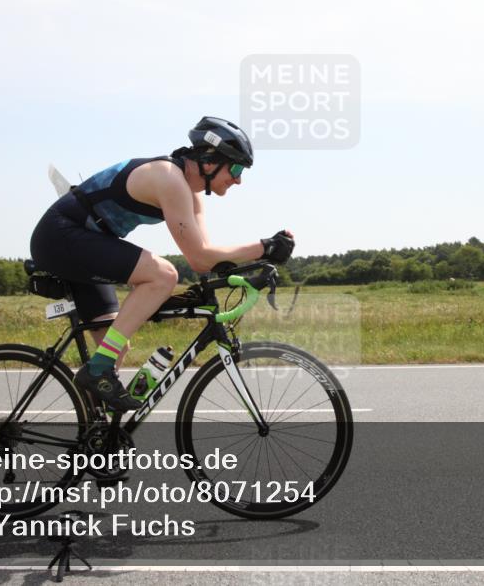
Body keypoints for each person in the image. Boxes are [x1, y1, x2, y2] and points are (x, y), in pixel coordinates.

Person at [30, 116, 295, 412]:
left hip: (83, 240)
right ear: (209, 161)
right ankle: (96, 372)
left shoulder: (191, 196)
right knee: (162, 275)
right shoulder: (169, 178)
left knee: (116, 345)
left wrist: (255, 264)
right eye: (235, 169)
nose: (238, 179)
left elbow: (207, 259)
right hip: (61, 235)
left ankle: (95, 440)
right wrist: (265, 247)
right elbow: (199, 257)